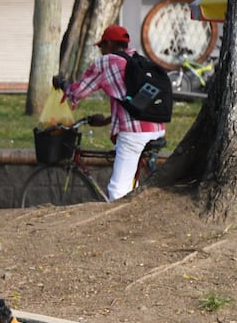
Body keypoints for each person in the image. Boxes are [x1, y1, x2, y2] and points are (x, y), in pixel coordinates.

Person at [58, 24, 166, 201]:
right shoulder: (137, 59)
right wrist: (108, 120)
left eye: (101, 46)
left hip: (134, 134)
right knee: (130, 182)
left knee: (117, 189)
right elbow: (131, 102)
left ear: (108, 44)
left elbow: (78, 91)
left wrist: (63, 85)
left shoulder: (107, 62)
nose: (100, 51)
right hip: (156, 127)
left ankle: (122, 218)